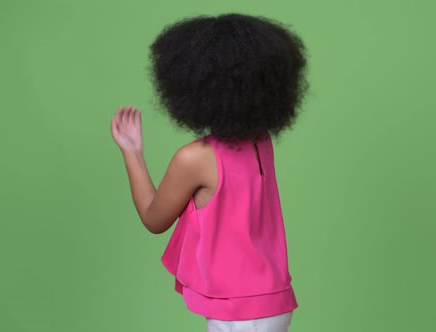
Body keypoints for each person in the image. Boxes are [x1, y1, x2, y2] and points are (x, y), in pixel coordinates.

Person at [110, 13, 308, 332]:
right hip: (275, 303)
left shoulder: (196, 158)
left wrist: (131, 151)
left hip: (240, 314)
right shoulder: (262, 141)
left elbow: (153, 218)